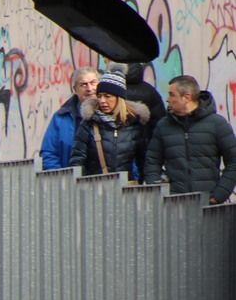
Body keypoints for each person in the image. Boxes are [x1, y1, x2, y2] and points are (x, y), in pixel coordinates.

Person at [143, 74, 236, 204]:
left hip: (208, 206)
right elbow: (152, 161)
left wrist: (219, 195)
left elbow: (233, 161)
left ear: (186, 97)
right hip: (174, 204)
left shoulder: (217, 124)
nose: (167, 100)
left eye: (171, 95)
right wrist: (156, 191)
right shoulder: (163, 126)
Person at [69, 72, 151, 179]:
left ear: (119, 98)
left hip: (125, 191)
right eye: (99, 96)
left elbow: (144, 162)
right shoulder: (89, 124)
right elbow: (77, 160)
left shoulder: (134, 125)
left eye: (108, 96)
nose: (102, 101)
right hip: (95, 189)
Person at [41, 67, 103, 170]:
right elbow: (49, 153)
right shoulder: (61, 118)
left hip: (106, 182)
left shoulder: (110, 113)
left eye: (93, 83)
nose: (89, 89)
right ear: (75, 90)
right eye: (83, 84)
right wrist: (62, 180)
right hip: (70, 182)